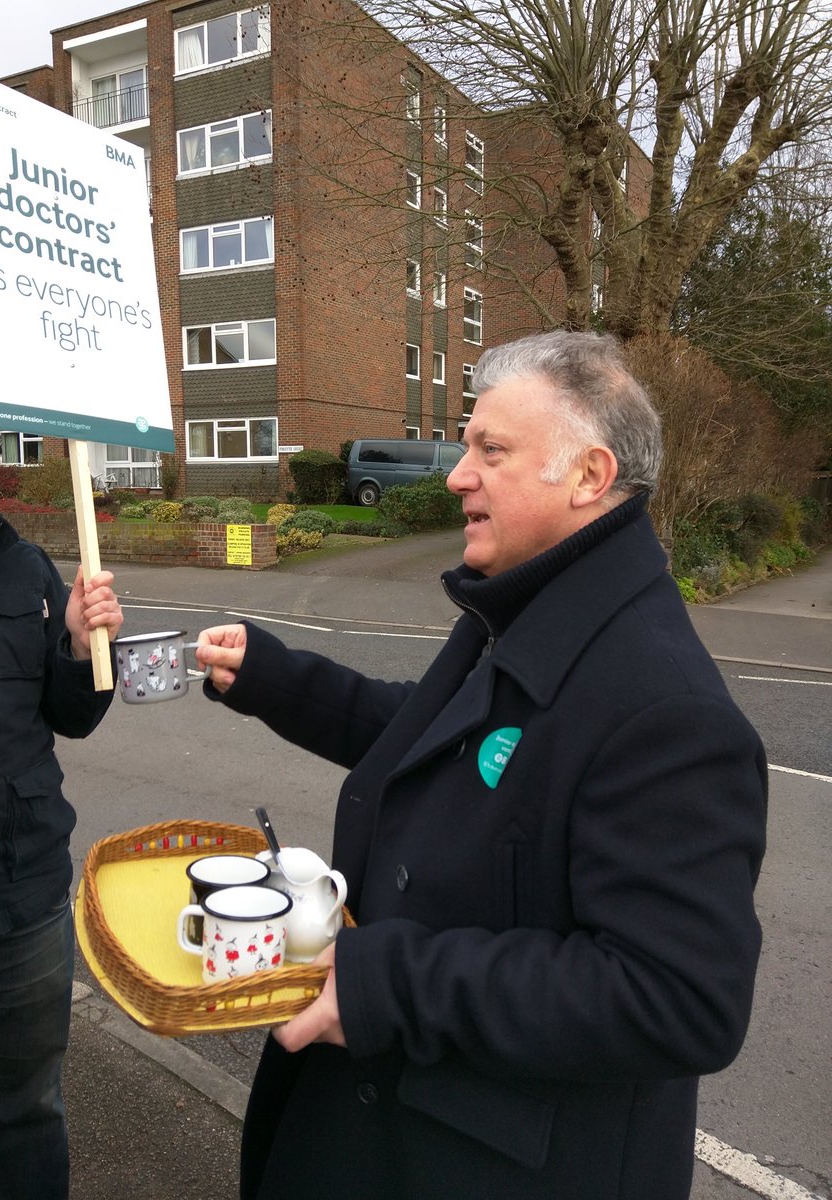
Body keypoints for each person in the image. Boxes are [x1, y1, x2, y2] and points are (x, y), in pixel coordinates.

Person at [195, 332, 768, 1200]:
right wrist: (278, 680)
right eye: (467, 446)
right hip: (407, 1130)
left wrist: (386, 983)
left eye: (490, 450)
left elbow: (678, 998)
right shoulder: (527, 609)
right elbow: (435, 741)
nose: (457, 474)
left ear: (588, 476)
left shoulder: (666, 709)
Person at [0, 386, 124, 1200]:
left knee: (25, 1110)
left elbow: (72, 717)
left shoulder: (24, 566)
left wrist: (81, 650)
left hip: (23, 897)